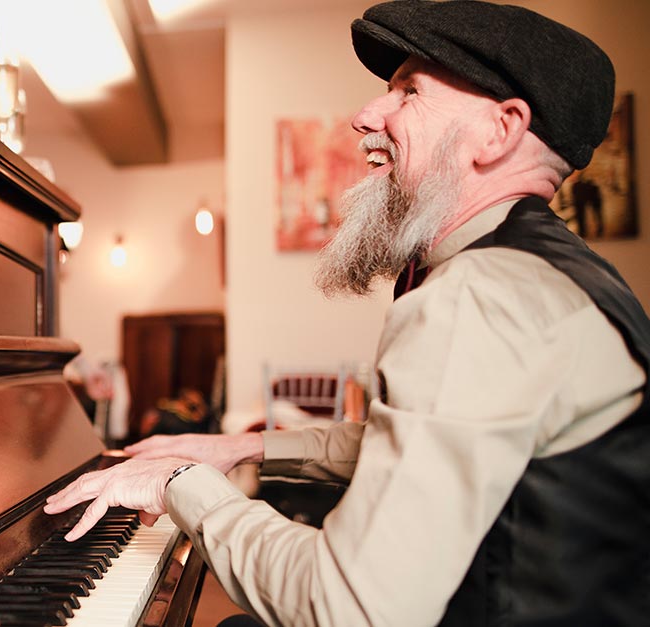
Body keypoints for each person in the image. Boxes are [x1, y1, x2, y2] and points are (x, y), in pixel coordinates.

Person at [45, 1, 650, 625]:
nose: (365, 117)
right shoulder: (543, 270)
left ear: (500, 131)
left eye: (408, 92)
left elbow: (347, 608)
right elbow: (420, 439)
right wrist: (236, 448)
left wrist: (179, 484)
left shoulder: (481, 297)